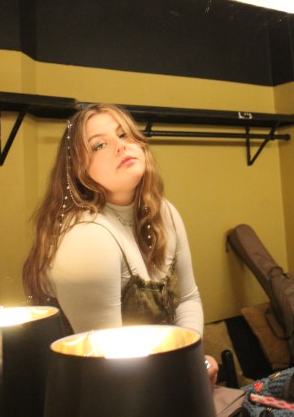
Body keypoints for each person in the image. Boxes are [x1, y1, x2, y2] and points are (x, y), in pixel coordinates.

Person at [23, 103, 218, 385]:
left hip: (161, 379)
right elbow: (109, 361)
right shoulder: (85, 236)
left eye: (124, 134)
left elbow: (188, 299)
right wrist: (184, 372)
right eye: (99, 145)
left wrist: (192, 359)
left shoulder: (165, 213)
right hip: (102, 391)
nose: (120, 146)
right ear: (78, 169)